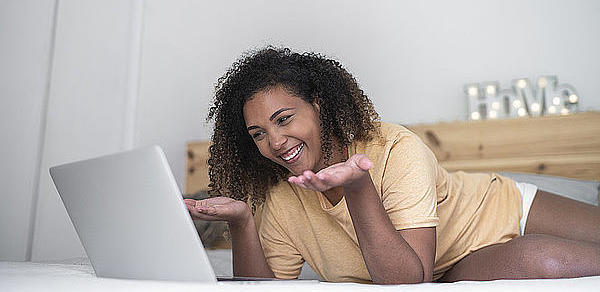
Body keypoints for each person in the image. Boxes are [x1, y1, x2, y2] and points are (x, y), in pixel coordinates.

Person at [184, 47, 600, 284]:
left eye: (284, 119)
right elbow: (408, 283)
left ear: (320, 106)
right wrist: (241, 222)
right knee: (549, 264)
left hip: (495, 209)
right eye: (258, 134)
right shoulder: (281, 200)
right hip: (441, 267)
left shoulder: (395, 146)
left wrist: (358, 184)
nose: (274, 142)